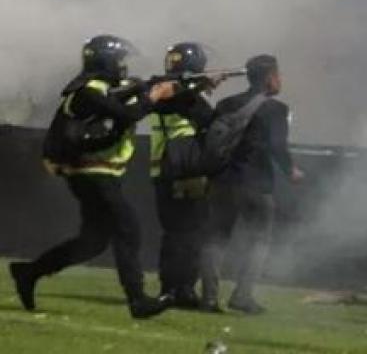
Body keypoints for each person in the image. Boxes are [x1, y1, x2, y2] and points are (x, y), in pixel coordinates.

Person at [9, 34, 176, 319]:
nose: (123, 66)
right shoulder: (90, 90)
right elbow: (127, 114)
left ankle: (29, 272)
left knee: (94, 241)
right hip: (94, 171)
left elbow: (128, 100)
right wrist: (152, 95)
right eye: (120, 60)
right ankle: (137, 300)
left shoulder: (97, 88)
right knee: (128, 228)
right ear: (107, 61)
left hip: (92, 172)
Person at [200, 54, 304, 314]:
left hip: (222, 181)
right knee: (259, 240)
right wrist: (290, 170)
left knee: (216, 237)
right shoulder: (276, 110)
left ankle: (209, 298)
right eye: (278, 75)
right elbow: (278, 146)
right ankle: (242, 296)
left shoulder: (226, 104)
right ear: (270, 78)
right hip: (256, 184)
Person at [149, 42, 218, 308]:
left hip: (163, 171)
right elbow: (210, 120)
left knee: (176, 233)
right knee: (190, 232)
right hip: (186, 171)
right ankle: (181, 288)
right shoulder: (182, 94)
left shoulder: (164, 91)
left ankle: (173, 288)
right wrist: (201, 87)